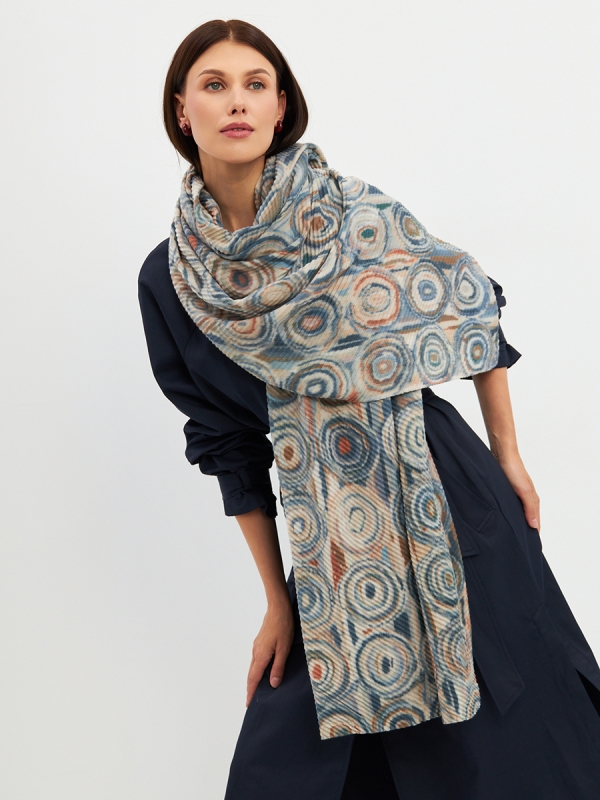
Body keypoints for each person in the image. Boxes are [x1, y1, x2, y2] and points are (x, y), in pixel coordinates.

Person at [138, 18, 600, 800]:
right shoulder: (173, 279)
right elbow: (227, 444)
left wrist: (509, 456)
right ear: (183, 110)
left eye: (256, 84)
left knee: (500, 748)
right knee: (290, 767)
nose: (237, 102)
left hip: (445, 497)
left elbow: (471, 304)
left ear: (281, 107)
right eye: (214, 85)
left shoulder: (351, 218)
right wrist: (277, 600)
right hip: (327, 536)